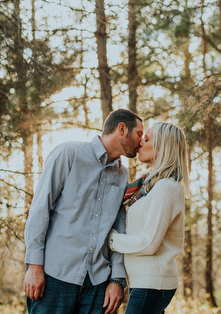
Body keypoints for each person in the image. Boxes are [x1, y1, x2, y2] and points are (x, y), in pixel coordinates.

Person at [24, 109, 144, 314]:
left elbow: (118, 227)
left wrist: (117, 279)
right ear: (122, 129)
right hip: (55, 277)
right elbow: (39, 209)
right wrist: (34, 266)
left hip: (98, 284)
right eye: (139, 134)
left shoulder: (123, 174)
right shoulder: (69, 154)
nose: (141, 142)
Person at [108, 122, 189, 314]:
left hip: (152, 284)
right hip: (144, 283)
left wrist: (109, 238)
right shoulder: (147, 186)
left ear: (163, 146)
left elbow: (148, 244)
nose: (140, 144)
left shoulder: (166, 188)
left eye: (146, 139)